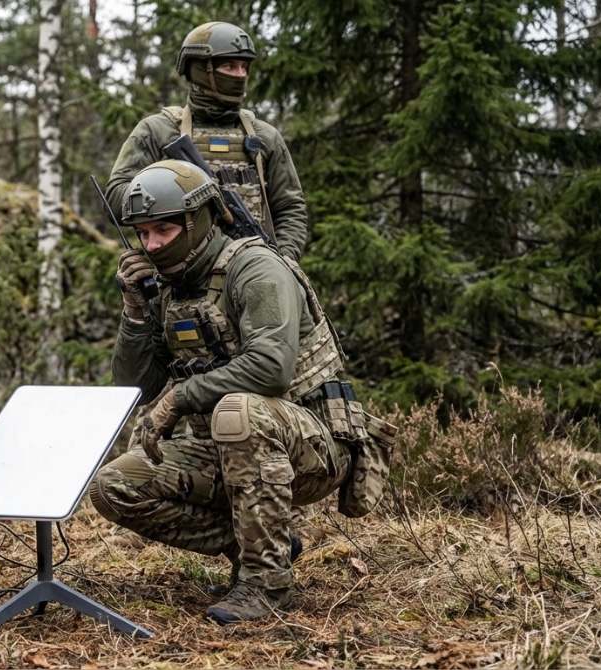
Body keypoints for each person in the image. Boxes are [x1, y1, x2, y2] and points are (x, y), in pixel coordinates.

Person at [88, 160, 390, 624]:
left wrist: (179, 399)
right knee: (114, 487)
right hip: (222, 447)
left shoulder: (255, 268)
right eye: (143, 233)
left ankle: (267, 586)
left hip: (311, 446)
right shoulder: (169, 286)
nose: (151, 245)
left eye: (163, 230)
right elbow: (135, 386)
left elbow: (270, 369)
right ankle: (262, 544)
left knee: (239, 410)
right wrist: (134, 309)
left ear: (200, 220)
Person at [106, 21, 308, 262]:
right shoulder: (157, 131)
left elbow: (290, 209)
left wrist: (283, 261)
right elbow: (115, 202)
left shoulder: (264, 136)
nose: (240, 75)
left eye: (244, 67)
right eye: (230, 65)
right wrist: (175, 186)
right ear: (201, 69)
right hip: (177, 280)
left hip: (253, 272)